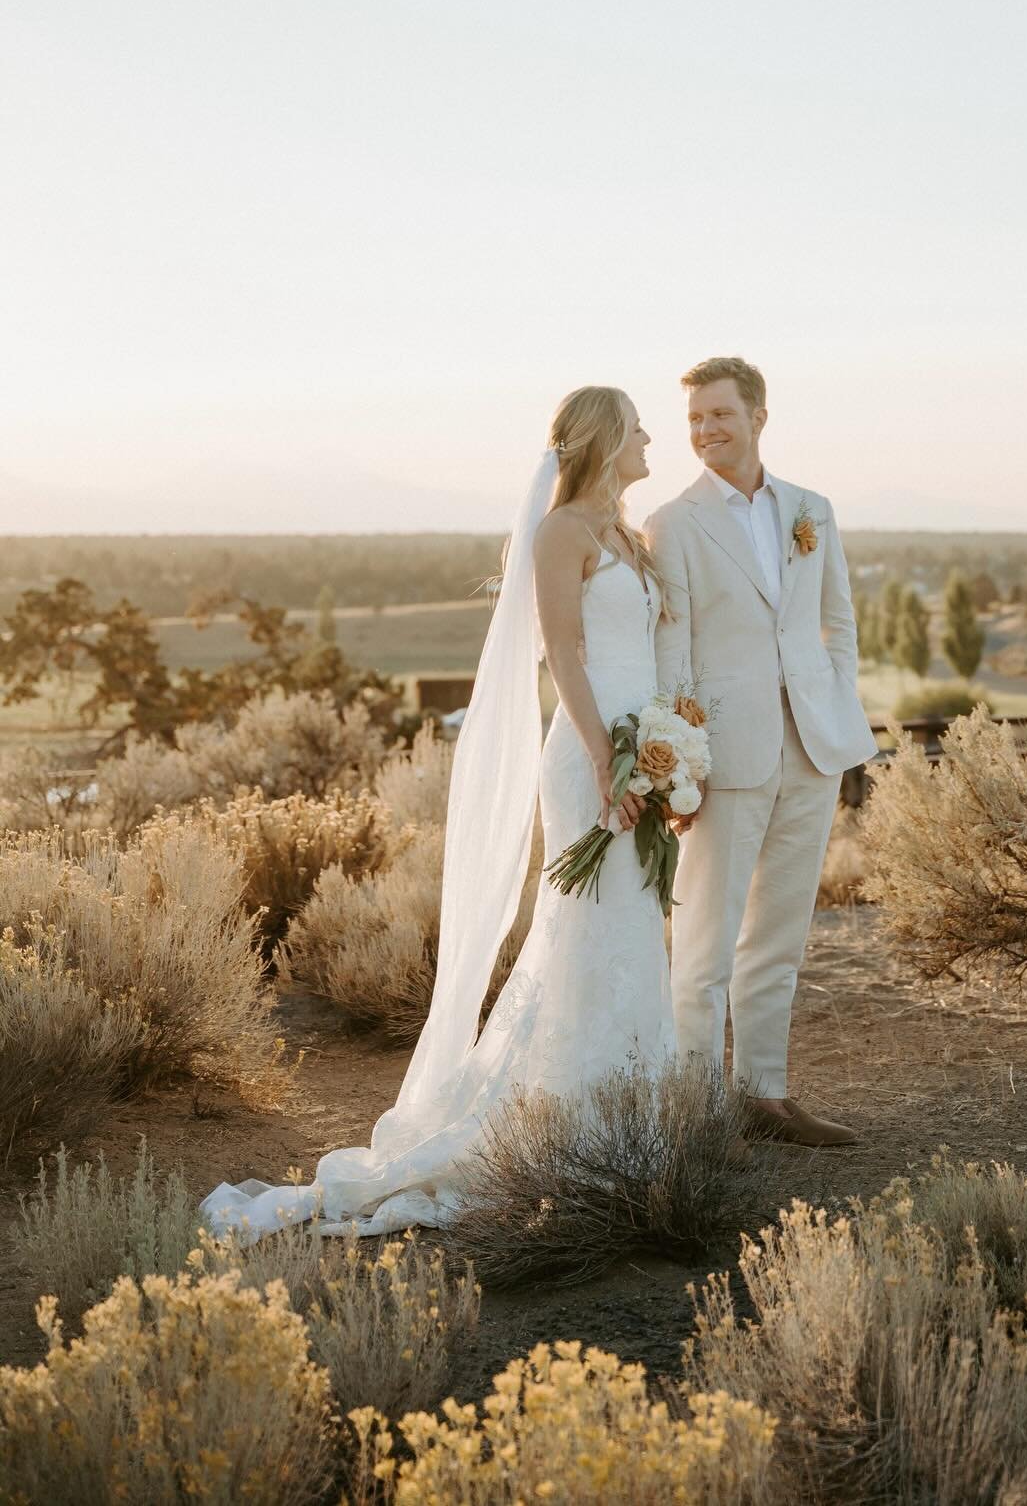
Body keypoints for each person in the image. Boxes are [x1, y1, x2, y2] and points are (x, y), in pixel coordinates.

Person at [201, 386, 675, 1239]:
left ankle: (631, 1117)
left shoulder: (627, 539)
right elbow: (563, 652)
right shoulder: (561, 533)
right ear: (605, 439)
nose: (650, 437)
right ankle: (570, 1126)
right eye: (638, 425)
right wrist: (609, 757)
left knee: (632, 928)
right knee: (588, 930)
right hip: (592, 755)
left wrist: (670, 754)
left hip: (647, 753)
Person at [646, 356, 877, 1147]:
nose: (706, 430)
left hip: (812, 749)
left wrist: (834, 703)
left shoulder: (812, 509)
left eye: (720, 415)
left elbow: (837, 622)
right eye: (694, 420)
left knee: (779, 935)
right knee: (706, 945)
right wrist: (683, 768)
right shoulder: (673, 523)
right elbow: (672, 653)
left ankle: (765, 1097)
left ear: (759, 416)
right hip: (725, 759)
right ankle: (697, 1108)